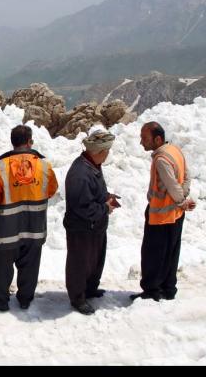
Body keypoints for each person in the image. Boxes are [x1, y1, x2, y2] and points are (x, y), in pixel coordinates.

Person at [0, 125, 58, 311]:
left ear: (12, 142)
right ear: (30, 142)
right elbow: (51, 190)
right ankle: (25, 299)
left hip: (5, 229)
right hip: (34, 227)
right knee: (30, 265)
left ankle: (0, 300)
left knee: (1, 267)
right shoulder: (44, 166)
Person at [131, 122, 196, 302]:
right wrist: (183, 199)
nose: (141, 142)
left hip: (161, 215)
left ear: (157, 139)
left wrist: (182, 201)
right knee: (171, 252)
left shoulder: (161, 159)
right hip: (176, 215)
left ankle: (152, 291)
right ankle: (168, 289)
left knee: (153, 254)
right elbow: (187, 175)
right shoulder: (175, 150)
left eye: (144, 138)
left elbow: (171, 185)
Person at [64, 129, 119, 315]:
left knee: (94, 261)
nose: (108, 154)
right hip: (82, 228)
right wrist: (106, 208)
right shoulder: (80, 174)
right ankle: (78, 298)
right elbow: (83, 207)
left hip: (94, 226)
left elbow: (96, 193)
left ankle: (90, 289)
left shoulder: (92, 166)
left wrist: (107, 196)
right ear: (99, 152)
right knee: (80, 263)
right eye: (107, 151)